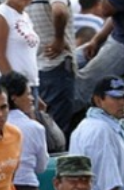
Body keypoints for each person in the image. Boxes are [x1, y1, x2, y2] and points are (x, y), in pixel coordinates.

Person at [0, 71, 49, 190]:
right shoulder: (35, 128)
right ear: (14, 98)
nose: (32, 98)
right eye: (28, 94)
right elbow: (41, 167)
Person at [26, 0, 76, 137]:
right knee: (56, 133)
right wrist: (59, 39)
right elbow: (59, 11)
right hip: (55, 64)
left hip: (32, 70)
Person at [0, 0, 40, 102]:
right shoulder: (2, 14)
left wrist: (34, 95)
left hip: (31, 86)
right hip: (14, 90)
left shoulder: (25, 16)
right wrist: (16, 89)